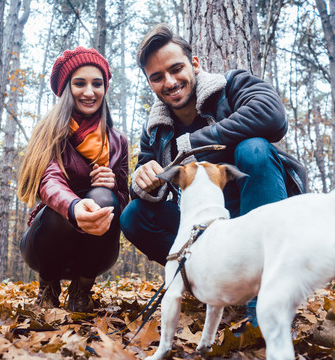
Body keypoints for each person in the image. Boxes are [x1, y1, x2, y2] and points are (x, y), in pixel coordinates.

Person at [119, 24, 307, 326]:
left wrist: (193, 143)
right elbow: (147, 186)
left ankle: (266, 304)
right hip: (207, 228)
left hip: (258, 212)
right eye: (157, 77)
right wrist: (143, 179)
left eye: (176, 68)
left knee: (254, 149)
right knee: (133, 215)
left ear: (194, 64)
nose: (169, 81)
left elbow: (272, 115)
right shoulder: (155, 129)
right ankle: (213, 289)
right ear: (150, 83)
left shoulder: (232, 85)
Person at [18, 47, 129, 313]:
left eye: (97, 84)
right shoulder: (49, 129)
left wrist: (113, 186)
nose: (89, 92)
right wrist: (73, 206)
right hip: (47, 239)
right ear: (67, 88)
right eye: (80, 83)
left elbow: (126, 201)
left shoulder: (118, 141)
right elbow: (48, 180)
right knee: (62, 211)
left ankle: (82, 289)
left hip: (97, 249)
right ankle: (48, 286)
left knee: (104, 198)